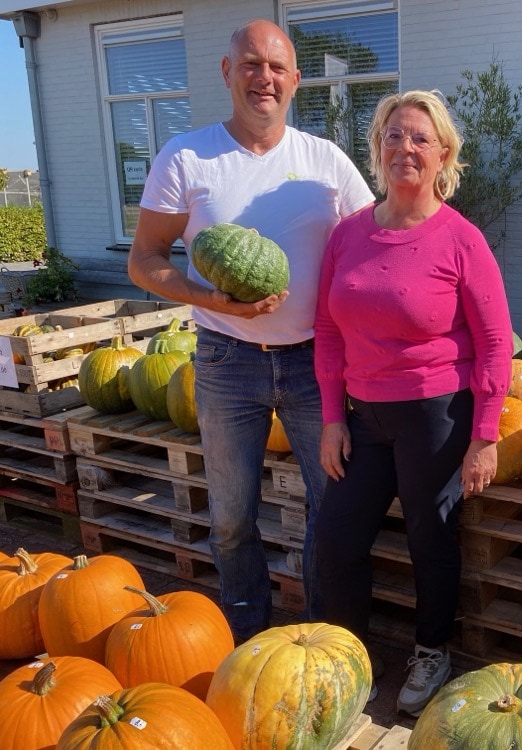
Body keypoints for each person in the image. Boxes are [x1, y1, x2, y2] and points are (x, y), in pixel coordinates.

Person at [126, 19, 374, 642]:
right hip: (224, 359)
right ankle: (246, 637)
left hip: (317, 365)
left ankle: (327, 641)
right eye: (251, 64)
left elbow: (375, 248)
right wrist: (212, 299)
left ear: (295, 79)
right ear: (227, 71)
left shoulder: (325, 162)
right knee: (233, 518)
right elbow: (145, 259)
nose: (264, 77)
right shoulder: (187, 157)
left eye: (277, 66)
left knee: (332, 511)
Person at [311, 90, 513, 716]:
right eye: (394, 135)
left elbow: (495, 342)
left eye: (421, 138)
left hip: (435, 414)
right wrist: (332, 419)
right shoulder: (348, 236)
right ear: (378, 149)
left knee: (432, 538)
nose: (406, 147)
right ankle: (351, 660)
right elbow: (327, 331)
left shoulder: (461, 239)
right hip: (362, 416)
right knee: (336, 540)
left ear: (443, 152)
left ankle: (432, 650)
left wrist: (484, 435)